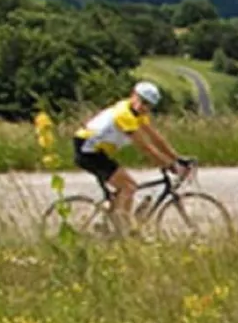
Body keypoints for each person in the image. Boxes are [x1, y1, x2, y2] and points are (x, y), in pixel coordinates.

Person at [73, 81, 191, 232]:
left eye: (149, 105)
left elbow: (156, 138)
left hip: (97, 151)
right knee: (128, 186)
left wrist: (177, 158)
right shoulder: (124, 114)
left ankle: (111, 226)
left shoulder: (137, 112)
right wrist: (170, 165)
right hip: (87, 150)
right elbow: (146, 148)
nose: (144, 107)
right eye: (143, 102)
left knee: (124, 189)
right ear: (133, 95)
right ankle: (124, 231)